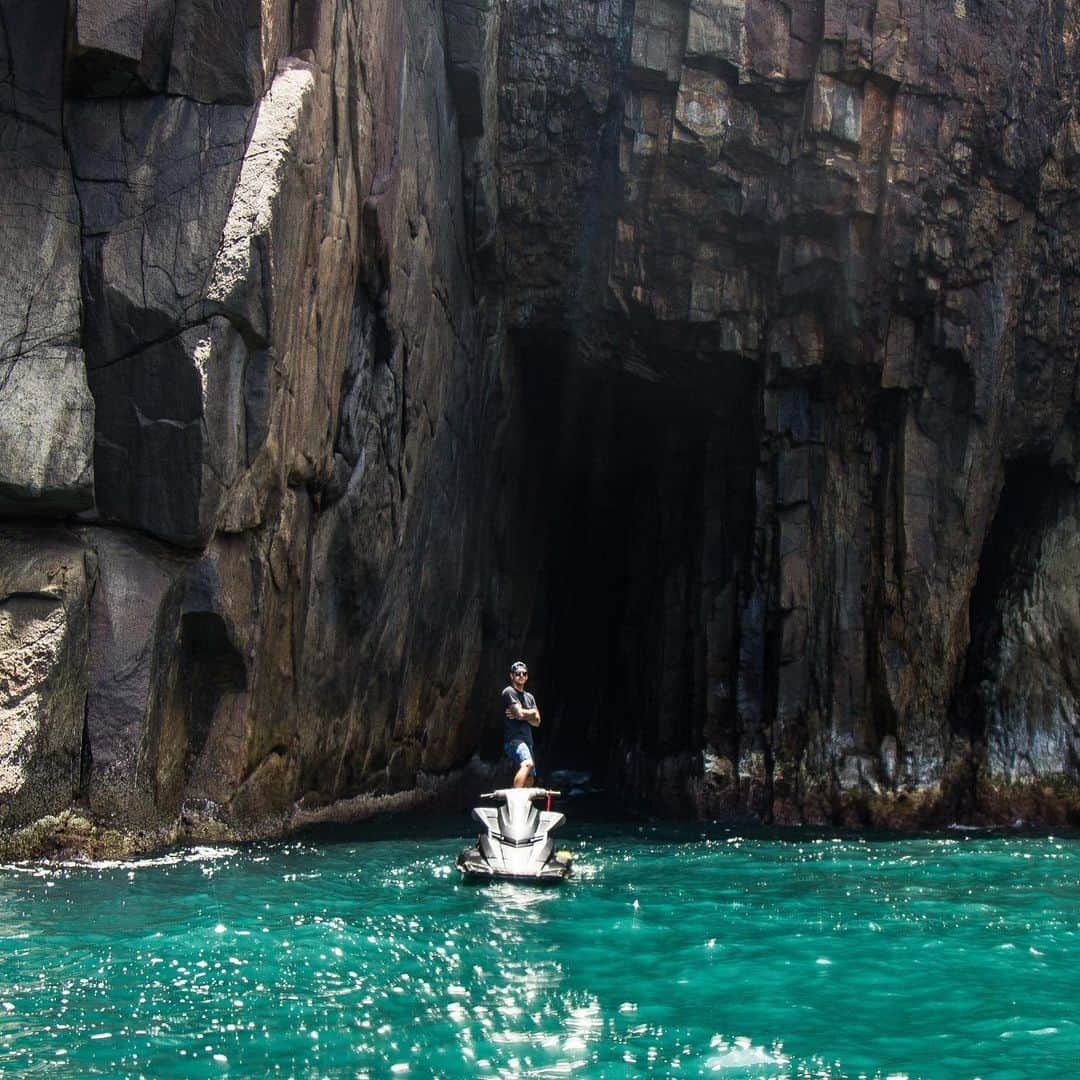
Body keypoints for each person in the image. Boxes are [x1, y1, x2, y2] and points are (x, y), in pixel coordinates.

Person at [503, 660, 541, 788]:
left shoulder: (530, 697)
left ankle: (524, 805)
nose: (521, 675)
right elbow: (519, 714)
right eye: (517, 673)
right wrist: (531, 713)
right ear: (511, 676)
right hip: (514, 740)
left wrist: (525, 714)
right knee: (527, 764)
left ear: (527, 676)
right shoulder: (509, 692)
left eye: (524, 673)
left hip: (528, 741)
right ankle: (515, 800)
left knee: (530, 778)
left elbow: (537, 722)